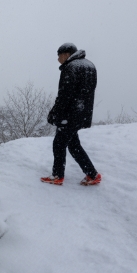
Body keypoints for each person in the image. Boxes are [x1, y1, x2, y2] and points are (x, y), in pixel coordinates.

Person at [40, 43, 102, 186]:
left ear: (66, 54)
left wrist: (54, 114)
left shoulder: (71, 67)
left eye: (59, 55)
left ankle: (57, 176)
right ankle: (93, 174)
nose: (58, 59)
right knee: (73, 145)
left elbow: (65, 95)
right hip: (82, 114)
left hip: (68, 115)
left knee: (59, 144)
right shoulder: (90, 66)